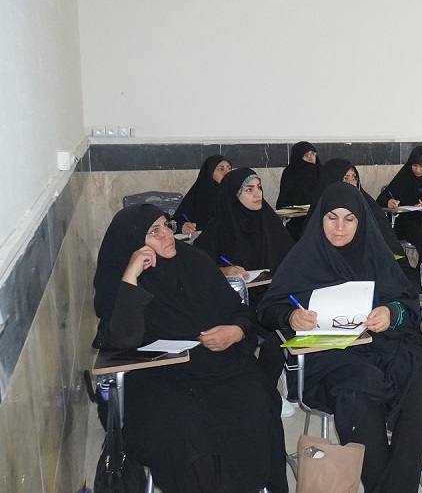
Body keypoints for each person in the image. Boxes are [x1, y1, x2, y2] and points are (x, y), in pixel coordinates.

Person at [92, 205, 287, 493]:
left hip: (219, 366)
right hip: (157, 379)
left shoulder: (194, 261)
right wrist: (131, 276)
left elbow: (239, 312)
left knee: (257, 405)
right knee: (185, 429)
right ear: (133, 245)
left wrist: (234, 332)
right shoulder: (122, 280)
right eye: (154, 231)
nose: (167, 235)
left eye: (167, 226)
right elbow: (123, 338)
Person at [258, 183, 422, 493]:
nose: (340, 227)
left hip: (383, 345)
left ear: (361, 221)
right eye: (332, 218)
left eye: (349, 219)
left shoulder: (375, 253)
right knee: (358, 388)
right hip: (331, 357)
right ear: (320, 219)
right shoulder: (304, 257)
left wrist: (390, 313)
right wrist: (291, 317)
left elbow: (406, 303)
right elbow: (268, 308)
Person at [194, 168, 295, 396]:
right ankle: (260, 390)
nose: (257, 194)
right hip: (235, 306)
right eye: (248, 190)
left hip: (270, 299)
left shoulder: (269, 222)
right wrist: (222, 270)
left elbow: (293, 260)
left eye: (259, 188)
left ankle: (271, 388)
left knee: (279, 329)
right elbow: (197, 268)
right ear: (233, 195)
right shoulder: (218, 227)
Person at [376, 145, 422, 261]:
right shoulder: (404, 177)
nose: (417, 170)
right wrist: (389, 202)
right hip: (407, 223)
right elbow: (381, 199)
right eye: (415, 165)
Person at [174, 155, 232, 234]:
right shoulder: (199, 195)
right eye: (220, 169)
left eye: (229, 168)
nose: (227, 173)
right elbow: (174, 223)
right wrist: (182, 227)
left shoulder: (238, 194)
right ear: (209, 173)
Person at [276, 141, 322, 240]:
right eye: (306, 155)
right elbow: (285, 202)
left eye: (312, 154)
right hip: (295, 223)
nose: (311, 158)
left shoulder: (321, 172)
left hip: (319, 221)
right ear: (298, 158)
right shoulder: (290, 173)